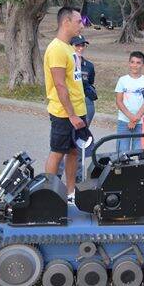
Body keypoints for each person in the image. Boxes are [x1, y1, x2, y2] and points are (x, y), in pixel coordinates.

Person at [43, 7, 85, 195]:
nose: (81, 25)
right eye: (78, 21)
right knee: (57, 152)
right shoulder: (56, 49)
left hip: (78, 110)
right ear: (65, 22)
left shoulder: (69, 47)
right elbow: (60, 86)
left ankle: (70, 193)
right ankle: (48, 195)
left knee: (74, 152)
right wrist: (72, 115)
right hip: (64, 113)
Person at [57, 35, 97, 181]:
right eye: (77, 45)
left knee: (80, 141)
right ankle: (57, 174)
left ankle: (77, 176)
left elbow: (90, 83)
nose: (80, 48)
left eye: (83, 45)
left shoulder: (89, 66)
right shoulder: (66, 62)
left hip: (85, 103)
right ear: (71, 46)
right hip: (69, 104)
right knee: (65, 140)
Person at [114, 51, 144, 152]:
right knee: (122, 153)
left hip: (141, 123)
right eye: (132, 62)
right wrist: (131, 117)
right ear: (129, 63)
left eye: (138, 63)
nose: (135, 65)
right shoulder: (122, 80)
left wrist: (136, 119)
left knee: (138, 153)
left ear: (143, 65)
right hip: (124, 121)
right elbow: (119, 101)